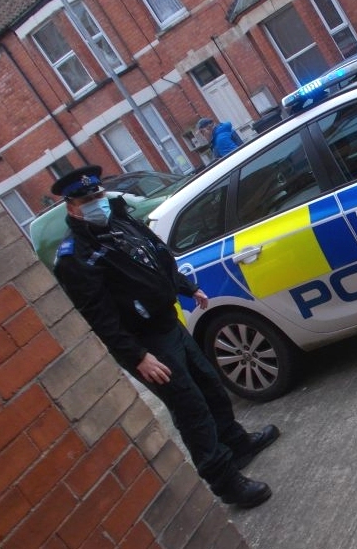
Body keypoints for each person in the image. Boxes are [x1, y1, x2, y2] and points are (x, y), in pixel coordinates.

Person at [50, 165, 279, 509]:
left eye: (98, 195)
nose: (97, 202)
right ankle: (227, 483)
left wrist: (187, 287)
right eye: (87, 199)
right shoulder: (75, 257)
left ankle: (237, 444)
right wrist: (137, 357)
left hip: (168, 323)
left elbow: (158, 258)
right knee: (191, 410)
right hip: (148, 344)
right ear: (72, 207)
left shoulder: (120, 221)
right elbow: (100, 319)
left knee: (211, 387)